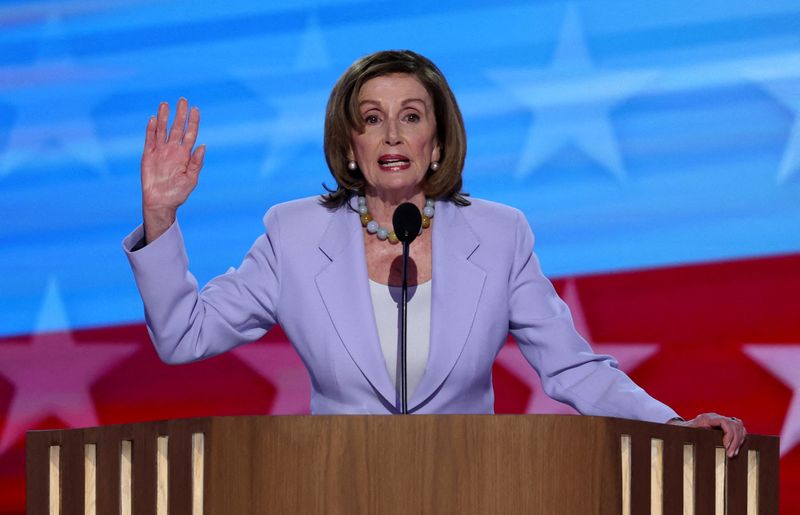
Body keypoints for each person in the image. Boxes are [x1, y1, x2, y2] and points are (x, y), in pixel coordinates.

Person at [123, 50, 746, 457]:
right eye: (371, 119)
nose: (392, 134)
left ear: (438, 143)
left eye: (411, 116)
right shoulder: (293, 235)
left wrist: (670, 427)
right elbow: (184, 337)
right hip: (330, 492)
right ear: (349, 147)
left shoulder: (500, 235)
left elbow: (572, 369)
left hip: (470, 491)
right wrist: (160, 217)